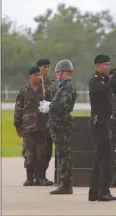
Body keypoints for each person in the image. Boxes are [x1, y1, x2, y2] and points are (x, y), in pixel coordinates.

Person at [88, 54, 116, 202]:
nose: (108, 67)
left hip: (105, 121)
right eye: (105, 65)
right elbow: (105, 89)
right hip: (99, 121)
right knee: (105, 158)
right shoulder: (94, 81)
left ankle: (94, 192)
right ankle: (103, 191)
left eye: (109, 65)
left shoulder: (105, 80)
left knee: (101, 158)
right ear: (97, 66)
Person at [40, 60, 77, 194]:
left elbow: (63, 105)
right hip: (58, 125)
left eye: (57, 73)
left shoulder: (68, 87)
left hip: (61, 125)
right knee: (62, 155)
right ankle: (64, 183)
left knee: (64, 155)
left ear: (62, 72)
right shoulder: (63, 86)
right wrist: (50, 104)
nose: (56, 75)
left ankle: (66, 185)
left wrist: (50, 106)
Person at [14, 67, 47, 186]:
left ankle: (41, 177)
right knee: (29, 153)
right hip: (28, 128)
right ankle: (29, 177)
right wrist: (18, 126)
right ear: (30, 76)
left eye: (39, 75)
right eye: (36, 75)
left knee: (41, 153)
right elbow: (18, 109)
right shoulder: (24, 91)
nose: (38, 77)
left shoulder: (44, 90)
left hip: (42, 127)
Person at [36, 58, 56, 186]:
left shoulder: (52, 84)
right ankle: (36, 176)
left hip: (49, 123)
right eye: (44, 67)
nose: (46, 70)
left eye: (48, 67)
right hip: (36, 123)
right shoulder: (34, 84)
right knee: (37, 152)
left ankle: (42, 175)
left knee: (48, 151)